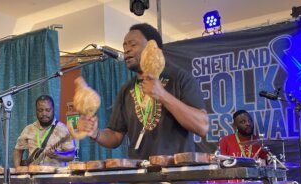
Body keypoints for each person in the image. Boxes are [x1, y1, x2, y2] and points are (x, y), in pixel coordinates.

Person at [77, 23, 208, 159]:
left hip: (177, 174)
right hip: (141, 175)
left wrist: (163, 95)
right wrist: (95, 133)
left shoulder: (179, 78)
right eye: (125, 46)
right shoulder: (126, 90)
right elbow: (115, 135)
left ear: (153, 47)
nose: (126, 50)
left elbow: (202, 126)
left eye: (133, 45)